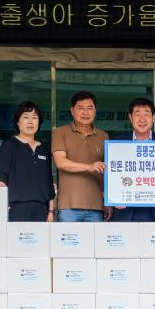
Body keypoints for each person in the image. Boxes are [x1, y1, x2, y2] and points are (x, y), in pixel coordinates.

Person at [51, 91, 110, 222]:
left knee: (95, 243)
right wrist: (89, 166)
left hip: (96, 206)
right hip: (69, 207)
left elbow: (107, 173)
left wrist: (107, 201)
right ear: (72, 111)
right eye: (80, 108)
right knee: (68, 243)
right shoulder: (60, 133)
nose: (85, 112)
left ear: (95, 111)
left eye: (90, 108)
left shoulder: (103, 136)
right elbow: (61, 162)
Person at [112, 97, 155, 222]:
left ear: (153, 117)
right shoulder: (117, 144)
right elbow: (110, 176)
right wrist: (112, 196)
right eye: (137, 114)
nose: (142, 119)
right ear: (130, 117)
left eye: (147, 114)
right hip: (125, 213)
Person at [0, 101, 56, 222]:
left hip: (41, 208)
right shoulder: (9, 145)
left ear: (39, 122)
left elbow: (49, 182)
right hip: (16, 208)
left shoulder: (44, 148)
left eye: (34, 117)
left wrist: (51, 211)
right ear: (18, 122)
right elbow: (2, 179)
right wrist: (4, 203)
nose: (30, 121)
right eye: (26, 117)